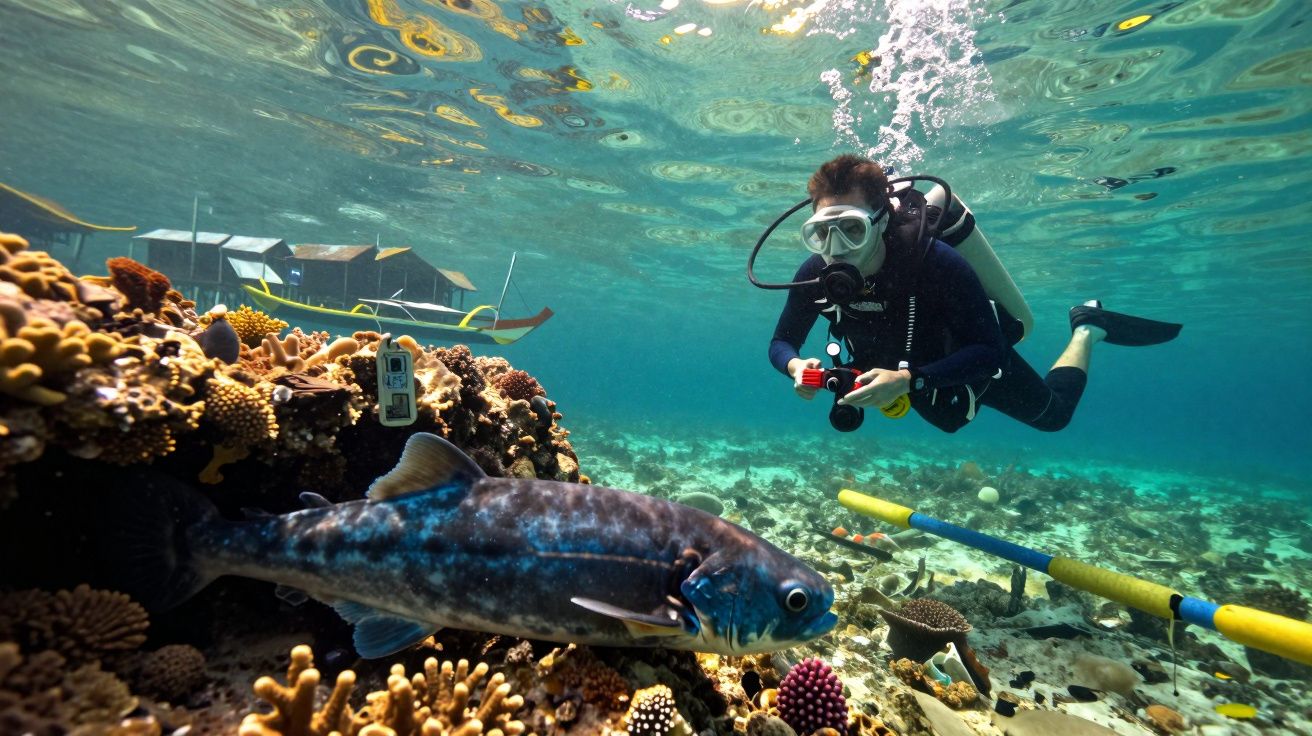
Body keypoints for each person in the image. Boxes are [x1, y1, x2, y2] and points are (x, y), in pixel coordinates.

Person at [766, 154, 1181, 433]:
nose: (836, 247)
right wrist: (796, 367)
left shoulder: (935, 262)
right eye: (821, 232)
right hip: (901, 376)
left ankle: (1088, 327)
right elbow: (782, 342)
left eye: (851, 228)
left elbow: (990, 350)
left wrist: (911, 380)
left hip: (962, 363)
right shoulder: (814, 273)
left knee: (1054, 417)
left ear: (878, 221)